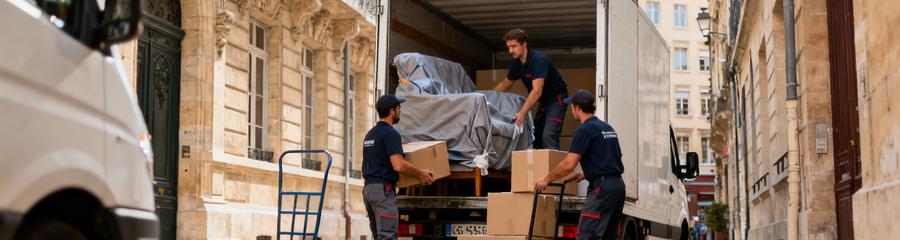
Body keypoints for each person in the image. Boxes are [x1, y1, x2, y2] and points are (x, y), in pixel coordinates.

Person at [534, 90, 626, 240]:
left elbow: (568, 164)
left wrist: (546, 180)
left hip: (601, 189)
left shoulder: (584, 130)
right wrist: (586, 173)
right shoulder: (607, 128)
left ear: (577, 108)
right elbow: (613, 157)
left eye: (571, 107)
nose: (571, 111)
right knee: (608, 236)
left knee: (586, 235)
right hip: (617, 187)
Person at [362, 94, 434, 240]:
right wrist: (420, 173)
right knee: (388, 237)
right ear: (391, 111)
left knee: (379, 237)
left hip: (368, 190)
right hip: (383, 192)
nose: (400, 111)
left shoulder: (370, 135)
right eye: (398, 108)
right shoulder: (390, 134)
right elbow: (398, 165)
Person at [493, 28, 569, 150]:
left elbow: (537, 91)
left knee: (549, 135)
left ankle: (555, 168)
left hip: (557, 99)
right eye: (509, 47)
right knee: (536, 137)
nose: (511, 50)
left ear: (524, 44)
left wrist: (522, 113)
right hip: (544, 102)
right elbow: (505, 83)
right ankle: (539, 168)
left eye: (514, 46)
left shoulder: (539, 60)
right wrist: (487, 97)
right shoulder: (517, 64)